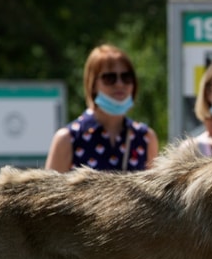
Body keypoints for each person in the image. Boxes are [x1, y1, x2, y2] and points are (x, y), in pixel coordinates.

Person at [46, 44, 158, 173]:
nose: (119, 84)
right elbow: (49, 193)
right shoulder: (67, 139)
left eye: (126, 77)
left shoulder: (146, 137)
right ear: (92, 84)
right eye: (109, 78)